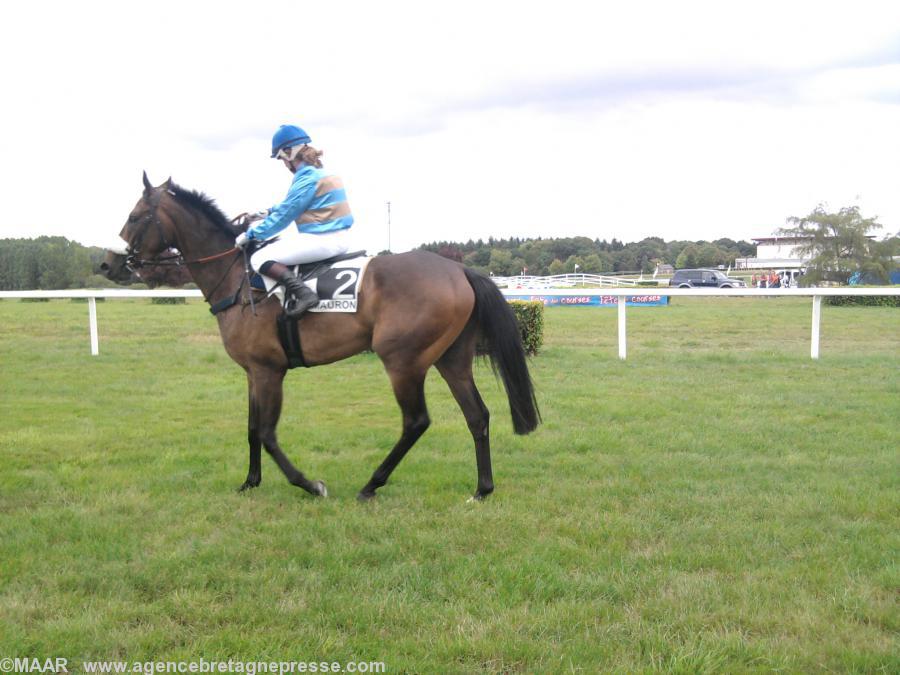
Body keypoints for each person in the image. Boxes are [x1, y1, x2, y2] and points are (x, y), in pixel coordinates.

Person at [234, 124, 354, 317]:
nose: (283, 163)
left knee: (259, 258)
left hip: (322, 240)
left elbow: (284, 217)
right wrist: (267, 212)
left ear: (289, 153)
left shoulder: (306, 178)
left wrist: (250, 235)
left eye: (281, 158)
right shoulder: (322, 174)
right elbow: (293, 205)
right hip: (337, 238)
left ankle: (305, 295)